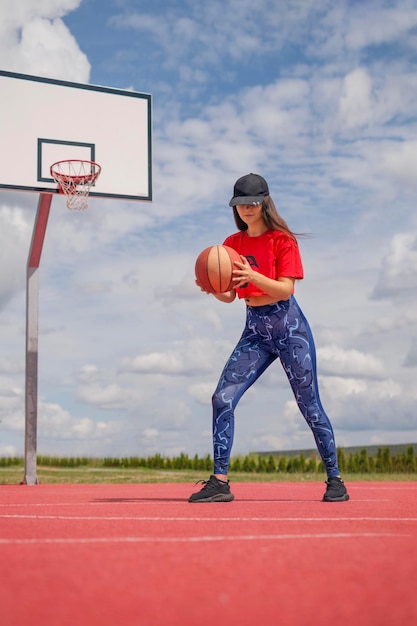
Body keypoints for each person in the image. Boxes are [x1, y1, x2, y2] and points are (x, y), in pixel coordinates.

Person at [189, 173, 349, 504]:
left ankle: (335, 480)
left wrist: (253, 275)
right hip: (255, 330)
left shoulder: (282, 240)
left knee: (310, 406)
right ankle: (220, 481)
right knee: (222, 398)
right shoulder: (231, 245)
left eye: (251, 203)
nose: (246, 209)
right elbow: (231, 296)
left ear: (264, 202)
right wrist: (213, 289)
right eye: (239, 204)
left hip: (289, 327)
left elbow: (286, 288)